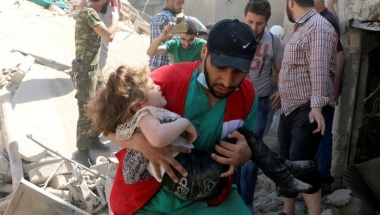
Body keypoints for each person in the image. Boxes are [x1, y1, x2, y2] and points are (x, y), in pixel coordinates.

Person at [103, 19, 308, 215]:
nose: (227, 81)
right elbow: (107, 126)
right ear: (204, 52)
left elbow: (248, 143)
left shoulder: (247, 96)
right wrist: (144, 145)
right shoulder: (161, 84)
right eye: (220, 68)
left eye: (238, 72)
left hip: (209, 195)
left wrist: (244, 155)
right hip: (149, 201)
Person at [86, 65, 313, 203]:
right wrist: (183, 122)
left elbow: (113, 130)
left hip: (189, 182)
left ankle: (283, 170)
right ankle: (283, 173)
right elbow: (155, 139)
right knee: (245, 136)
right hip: (196, 178)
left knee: (245, 141)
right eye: (153, 87)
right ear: (140, 102)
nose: (159, 86)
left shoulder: (133, 120)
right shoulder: (145, 115)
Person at [277, 0, 337, 214]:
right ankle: (288, 211)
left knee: (302, 164)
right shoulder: (303, 26)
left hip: (308, 107)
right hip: (291, 107)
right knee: (285, 162)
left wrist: (317, 107)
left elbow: (319, 67)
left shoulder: (317, 27)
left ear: (290, 2)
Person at [238, 0, 285, 208]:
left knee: (251, 155)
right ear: (244, 18)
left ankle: (245, 202)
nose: (254, 27)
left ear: (266, 22)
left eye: (259, 23)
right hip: (234, 102)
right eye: (250, 21)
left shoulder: (274, 42)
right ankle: (230, 198)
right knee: (228, 150)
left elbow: (280, 71)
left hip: (259, 104)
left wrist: (281, 90)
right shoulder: (235, 36)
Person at [70, 0, 118, 167]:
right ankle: (81, 151)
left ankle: (92, 137)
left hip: (93, 69)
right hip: (85, 71)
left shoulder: (90, 13)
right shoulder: (89, 13)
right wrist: (115, 19)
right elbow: (109, 36)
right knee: (85, 110)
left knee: (104, 102)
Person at [314, 0, 346, 187]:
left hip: (326, 87)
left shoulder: (325, 20)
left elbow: (341, 54)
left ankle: (322, 176)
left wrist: (335, 87)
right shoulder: (325, 17)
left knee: (323, 132)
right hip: (322, 85)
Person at [77, 0, 122, 72]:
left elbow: (109, 37)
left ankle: (98, 71)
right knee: (90, 37)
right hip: (99, 4)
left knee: (104, 42)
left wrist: (119, 9)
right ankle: (85, 69)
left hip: (110, 6)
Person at [149, 0, 185, 71]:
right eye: (178, 3)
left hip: (153, 64)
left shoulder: (155, 17)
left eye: (183, 3)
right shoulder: (171, 19)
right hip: (165, 67)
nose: (181, 6)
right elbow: (174, 45)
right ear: (169, 1)